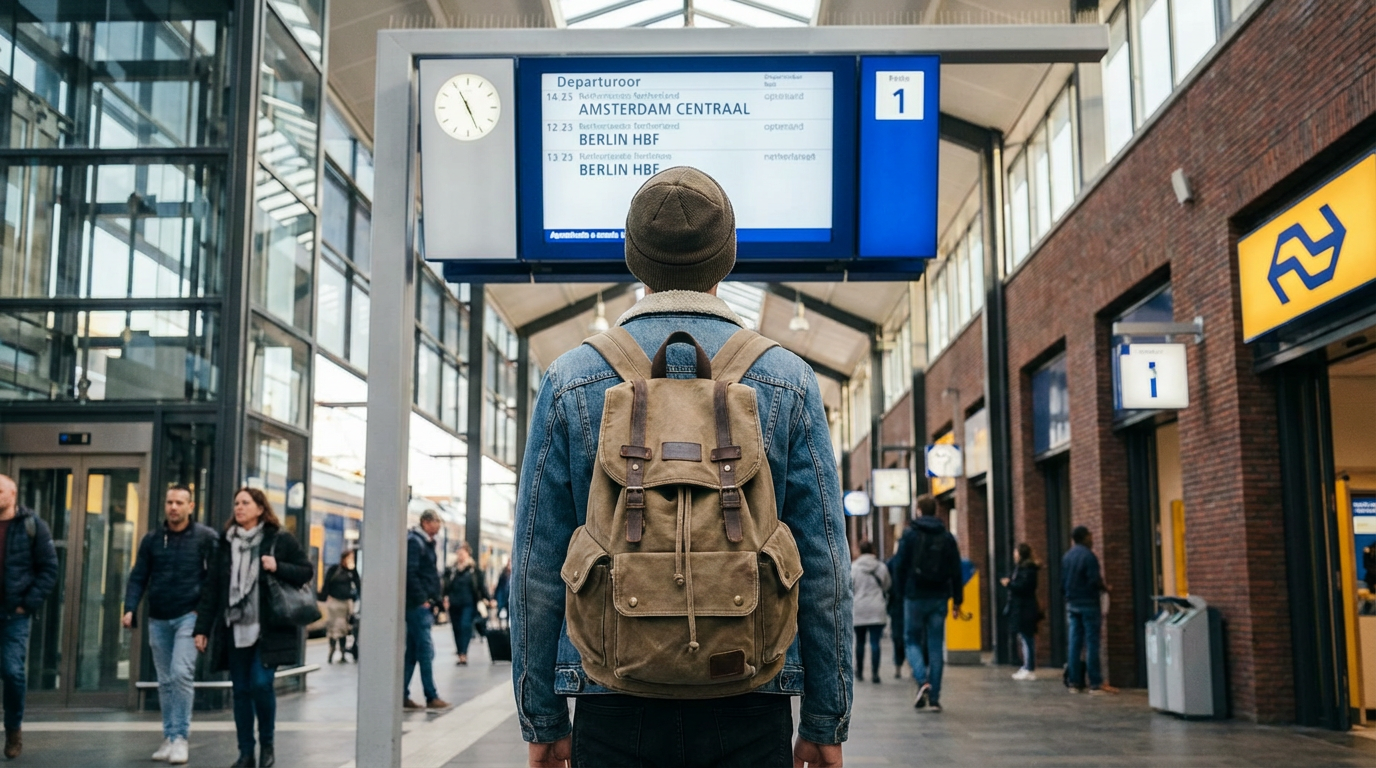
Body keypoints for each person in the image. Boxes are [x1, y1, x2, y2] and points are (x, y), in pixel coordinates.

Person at [513, 167, 852, 768]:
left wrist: (542, 717)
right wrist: (826, 719)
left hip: (610, 694)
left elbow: (537, 565)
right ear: (727, 255)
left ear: (633, 257)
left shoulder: (571, 378)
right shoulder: (788, 378)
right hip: (750, 692)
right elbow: (824, 564)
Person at [194, 488, 313, 768]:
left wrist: (277, 566)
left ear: (260, 509)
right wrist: (202, 628)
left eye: (245, 503)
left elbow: (305, 571)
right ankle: (246, 752)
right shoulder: (224, 543)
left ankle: (267, 745)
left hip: (267, 629)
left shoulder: (279, 539)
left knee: (261, 684)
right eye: (236, 503)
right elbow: (212, 589)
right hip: (234, 627)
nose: (239, 507)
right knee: (241, 691)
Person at [122, 484, 219, 764]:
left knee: (180, 674)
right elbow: (139, 575)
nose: (173, 507)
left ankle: (180, 738)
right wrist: (130, 608)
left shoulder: (205, 538)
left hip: (189, 616)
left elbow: (214, 581)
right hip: (158, 618)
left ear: (191, 506)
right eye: (169, 502)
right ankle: (169, 735)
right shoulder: (152, 539)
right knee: (164, 681)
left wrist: (204, 621)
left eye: (179, 502)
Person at [0, 474, 58, 760]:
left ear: (13, 493)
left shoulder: (32, 525)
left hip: (14, 614)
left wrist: (27, 604)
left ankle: (13, 729)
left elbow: (49, 569)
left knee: (12, 672)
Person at [893, 494, 963, 713]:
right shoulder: (947, 536)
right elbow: (956, 570)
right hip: (939, 597)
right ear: (935, 510)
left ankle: (922, 680)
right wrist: (957, 600)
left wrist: (900, 594)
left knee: (911, 640)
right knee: (935, 645)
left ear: (919, 510)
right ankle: (934, 699)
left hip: (914, 596)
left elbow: (899, 566)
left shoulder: (910, 534)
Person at [404, 509, 450, 710]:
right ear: (426, 522)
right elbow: (412, 573)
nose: (439, 526)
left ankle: (401, 694)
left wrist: (436, 600)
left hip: (421, 605)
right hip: (417, 607)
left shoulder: (425, 542)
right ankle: (431, 696)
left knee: (413, 652)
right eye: (436, 522)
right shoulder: (415, 542)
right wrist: (422, 599)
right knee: (425, 651)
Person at [1062, 525, 1109, 694]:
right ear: (1084, 537)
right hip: (1088, 603)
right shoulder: (1089, 556)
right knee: (1092, 642)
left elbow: (1062, 581)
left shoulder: (1067, 556)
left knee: (1074, 643)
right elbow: (1094, 580)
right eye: (1090, 535)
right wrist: (1105, 588)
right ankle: (1095, 683)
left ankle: (1074, 682)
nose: (1092, 538)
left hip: (1072, 603)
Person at [443, 544, 492, 665]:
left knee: (465, 626)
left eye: (462, 553)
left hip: (469, 603)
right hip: (454, 604)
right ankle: (460, 652)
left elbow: (481, 586)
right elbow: (445, 586)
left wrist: (488, 599)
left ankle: (464, 653)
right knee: (456, 628)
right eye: (459, 553)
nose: (460, 556)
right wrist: (444, 598)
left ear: (468, 554)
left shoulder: (474, 570)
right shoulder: (452, 569)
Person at [999, 543, 1042, 681]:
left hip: (1025, 608)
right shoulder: (1022, 569)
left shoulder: (1027, 570)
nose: (1014, 555)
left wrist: (1009, 584)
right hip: (1021, 608)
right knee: (1024, 637)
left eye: (1016, 552)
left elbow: (1023, 587)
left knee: (1027, 638)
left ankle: (1029, 668)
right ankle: (1026, 666)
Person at [851, 540, 891, 684]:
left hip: (859, 608)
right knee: (875, 642)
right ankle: (875, 674)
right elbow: (887, 585)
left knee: (860, 642)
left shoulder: (854, 567)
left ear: (860, 551)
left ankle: (859, 672)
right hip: (876, 608)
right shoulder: (881, 567)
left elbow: (850, 587)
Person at [322, 549, 360, 663]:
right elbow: (326, 583)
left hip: (345, 604)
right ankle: (332, 650)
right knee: (333, 628)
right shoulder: (334, 569)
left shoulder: (352, 572)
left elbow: (358, 584)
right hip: (335, 603)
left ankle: (342, 652)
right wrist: (324, 597)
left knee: (343, 629)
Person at [885, 550, 906, 679]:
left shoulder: (891, 563)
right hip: (910, 601)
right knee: (913, 636)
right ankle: (915, 667)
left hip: (896, 603)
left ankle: (898, 666)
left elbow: (887, 585)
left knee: (897, 636)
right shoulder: (913, 560)